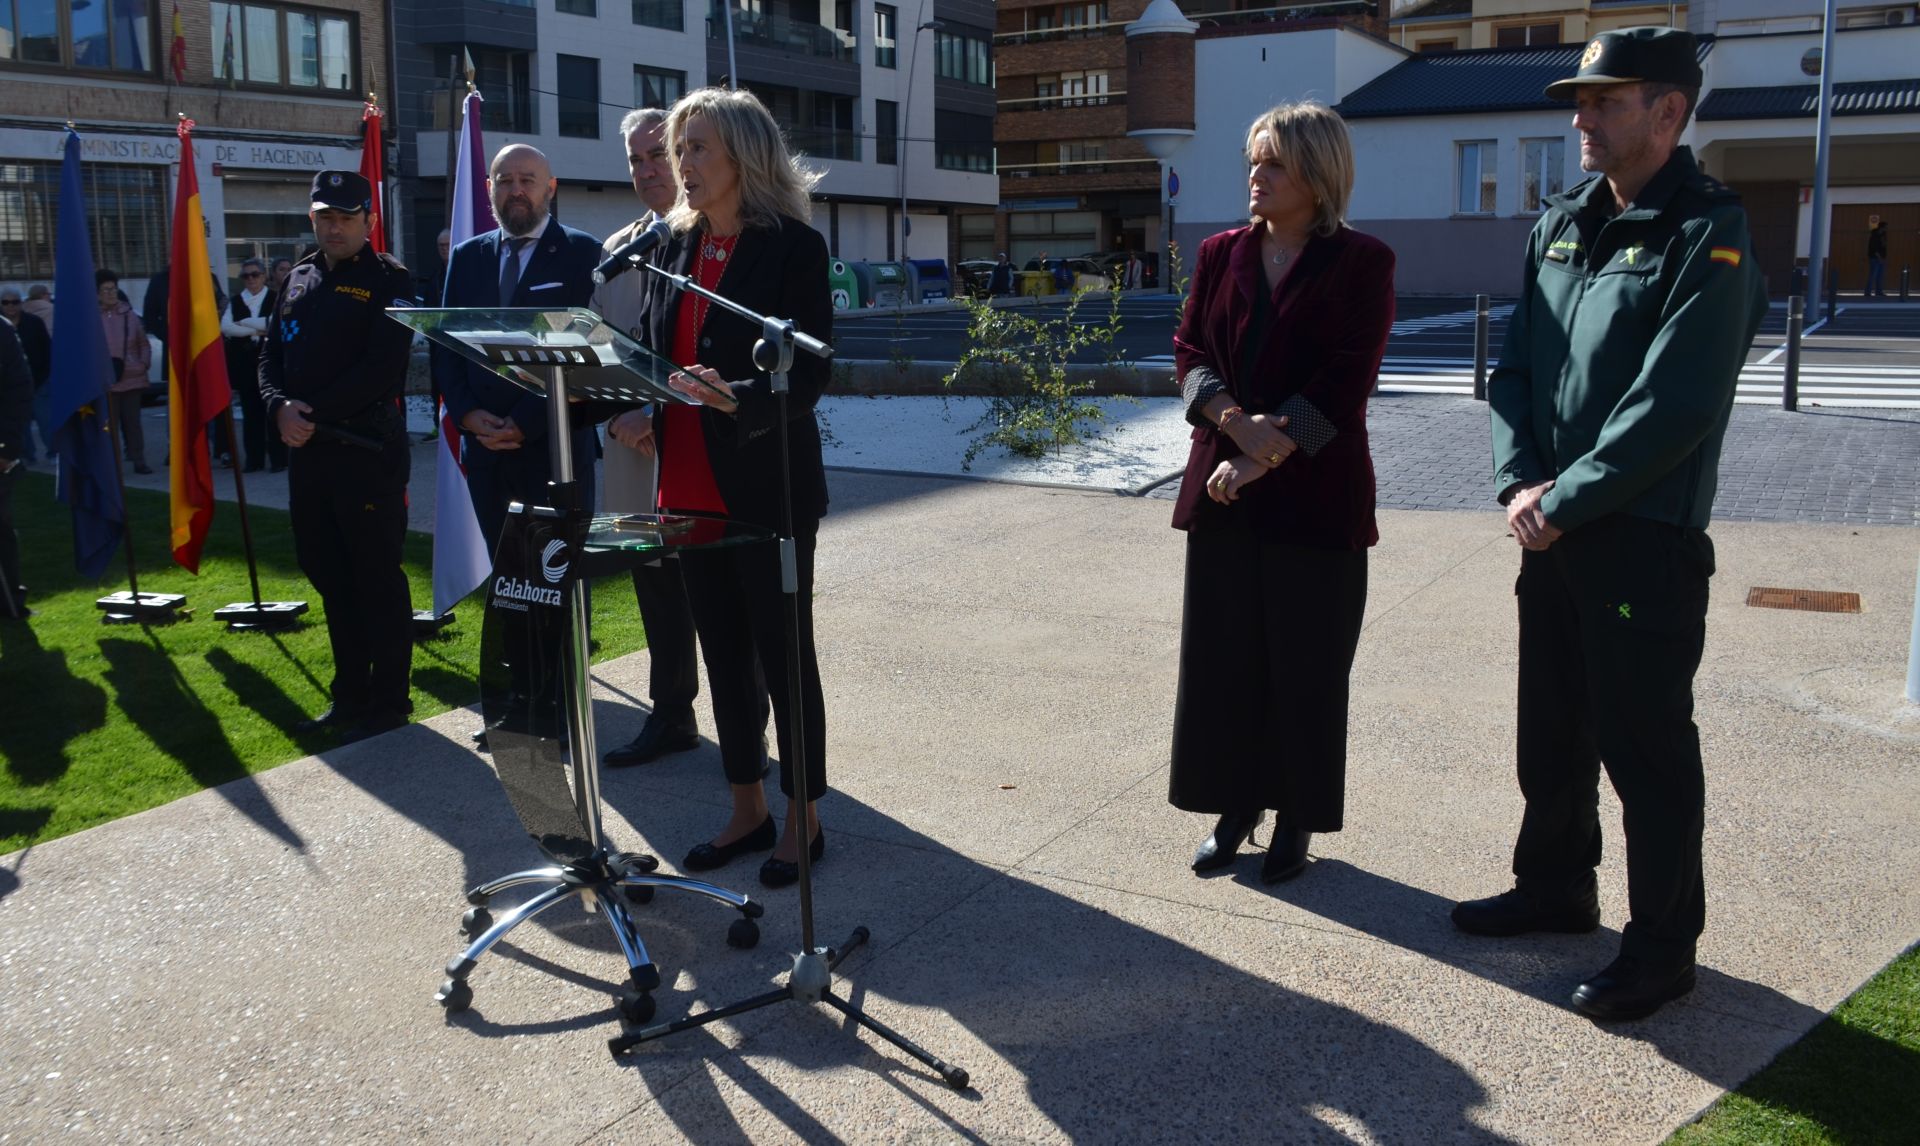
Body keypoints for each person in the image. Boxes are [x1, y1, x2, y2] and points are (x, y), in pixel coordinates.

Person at [1456, 27, 1768, 1023]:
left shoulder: (1706, 234)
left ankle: (1664, 947)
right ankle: (1556, 885)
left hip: (1639, 536)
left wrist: (1564, 499)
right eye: (1579, 101)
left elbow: (1675, 404)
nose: (1580, 118)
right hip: (1547, 525)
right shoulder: (1561, 224)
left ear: (1668, 112)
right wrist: (1520, 482)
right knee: (1550, 730)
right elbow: (1515, 367)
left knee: (1647, 751)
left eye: (1604, 100)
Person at [608, 86, 832, 888]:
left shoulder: (793, 248)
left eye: (696, 146)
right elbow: (646, 347)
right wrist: (621, 380)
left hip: (765, 489)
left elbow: (807, 374)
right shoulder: (668, 248)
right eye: (678, 148)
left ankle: (802, 819)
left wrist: (733, 390)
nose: (682, 163)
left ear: (743, 154)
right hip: (686, 489)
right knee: (724, 656)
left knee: (781, 655)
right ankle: (747, 806)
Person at [1168, 102, 1394, 885]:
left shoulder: (1363, 261)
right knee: (1229, 661)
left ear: (1317, 176)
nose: (1256, 177)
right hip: (1225, 488)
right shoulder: (1219, 252)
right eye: (1253, 162)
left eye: (1274, 164)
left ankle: (1295, 816)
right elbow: (1190, 350)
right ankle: (1237, 807)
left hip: (1317, 495)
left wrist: (1270, 451)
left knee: (1306, 665)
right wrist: (1233, 423)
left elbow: (1348, 378)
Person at [593, 107, 737, 770]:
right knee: (655, 590)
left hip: (699, 456)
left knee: (721, 601)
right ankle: (672, 716)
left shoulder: (722, 238)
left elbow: (726, 354)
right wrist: (616, 418)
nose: (649, 169)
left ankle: (744, 739)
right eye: (637, 160)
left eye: (660, 154)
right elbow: (595, 357)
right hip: (631, 458)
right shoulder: (618, 250)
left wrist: (662, 415)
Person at [259, 170, 418, 744]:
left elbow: (380, 367)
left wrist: (308, 413)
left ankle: (390, 700)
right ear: (312, 219)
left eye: (347, 218)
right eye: (325, 217)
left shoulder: (389, 280)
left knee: (375, 577)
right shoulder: (298, 276)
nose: (335, 227)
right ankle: (350, 693)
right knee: (327, 573)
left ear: (369, 222)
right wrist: (278, 406)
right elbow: (271, 354)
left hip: (365, 454)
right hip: (311, 455)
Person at [434, 144, 602, 555]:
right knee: (506, 583)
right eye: (505, 180)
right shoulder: (467, 256)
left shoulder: (584, 254)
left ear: (551, 188)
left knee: (552, 582)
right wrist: (468, 415)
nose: (517, 190)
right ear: (490, 188)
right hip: (486, 452)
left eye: (528, 180)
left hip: (553, 450)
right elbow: (447, 345)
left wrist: (525, 422)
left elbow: (589, 354)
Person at [222, 258, 284, 474]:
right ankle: (254, 459)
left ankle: (278, 459)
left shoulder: (276, 298)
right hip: (247, 367)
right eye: (246, 276)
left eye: (254, 274)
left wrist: (246, 323)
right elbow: (227, 328)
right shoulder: (236, 301)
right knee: (251, 415)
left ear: (263, 275)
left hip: (271, 363)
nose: (250, 279)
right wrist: (256, 329)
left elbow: (273, 324)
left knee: (273, 413)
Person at [97, 269, 153, 475]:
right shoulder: (92, 318)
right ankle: (111, 462)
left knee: (133, 423)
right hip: (106, 379)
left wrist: (142, 364)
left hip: (131, 377)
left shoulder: (129, 315)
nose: (111, 293)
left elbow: (143, 343)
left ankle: (138, 459)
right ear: (97, 293)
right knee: (107, 424)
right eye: (106, 290)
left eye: (114, 289)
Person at [0, 315, 31, 619]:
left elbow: (18, 391)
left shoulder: (2, 331)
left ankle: (9, 600)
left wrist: (6, 447)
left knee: (1, 528)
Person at [0, 289, 51, 465]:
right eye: (6, 302)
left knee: (46, 420)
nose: (10, 306)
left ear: (21, 304)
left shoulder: (33, 323)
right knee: (21, 424)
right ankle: (26, 455)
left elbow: (47, 349)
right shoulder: (2, 327)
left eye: (14, 302)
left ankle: (54, 453)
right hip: (12, 387)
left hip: (38, 381)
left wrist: (45, 376)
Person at [420, 228, 453, 443]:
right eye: (440, 246)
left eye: (447, 245)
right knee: (436, 383)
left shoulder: (463, 272)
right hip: (437, 340)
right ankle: (436, 423)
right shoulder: (435, 276)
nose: (443, 249)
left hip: (457, 340)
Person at [1866, 220, 1888, 298]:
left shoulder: (1883, 235)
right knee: (1873, 275)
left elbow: (1883, 246)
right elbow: (1873, 248)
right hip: (1875, 258)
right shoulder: (1875, 235)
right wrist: (1879, 257)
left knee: (1880, 275)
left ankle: (1878, 291)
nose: (1886, 229)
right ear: (1882, 227)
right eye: (1885, 227)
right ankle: (1868, 292)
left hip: (1881, 257)